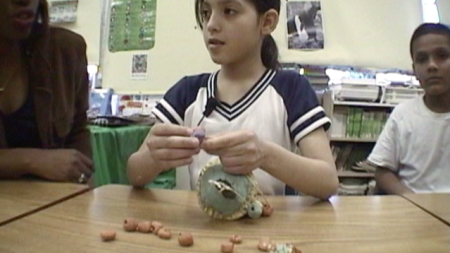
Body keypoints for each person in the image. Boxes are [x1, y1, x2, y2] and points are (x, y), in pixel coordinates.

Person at [127, 0, 338, 199]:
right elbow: (134, 173)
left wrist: (265, 155)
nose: (211, 25)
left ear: (267, 22)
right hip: (201, 228)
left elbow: (327, 182)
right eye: (206, 12)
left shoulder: (291, 88)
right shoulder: (188, 92)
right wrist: (152, 158)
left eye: (229, 11)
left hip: (269, 232)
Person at [0, 0, 93, 184]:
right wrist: (31, 160)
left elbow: (78, 132)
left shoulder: (65, 50)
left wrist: (81, 192)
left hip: (51, 203)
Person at [368, 23, 450, 194]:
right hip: (413, 207)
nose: (432, 66)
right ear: (414, 70)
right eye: (422, 59)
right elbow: (382, 171)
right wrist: (412, 200)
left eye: (442, 56)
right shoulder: (403, 115)